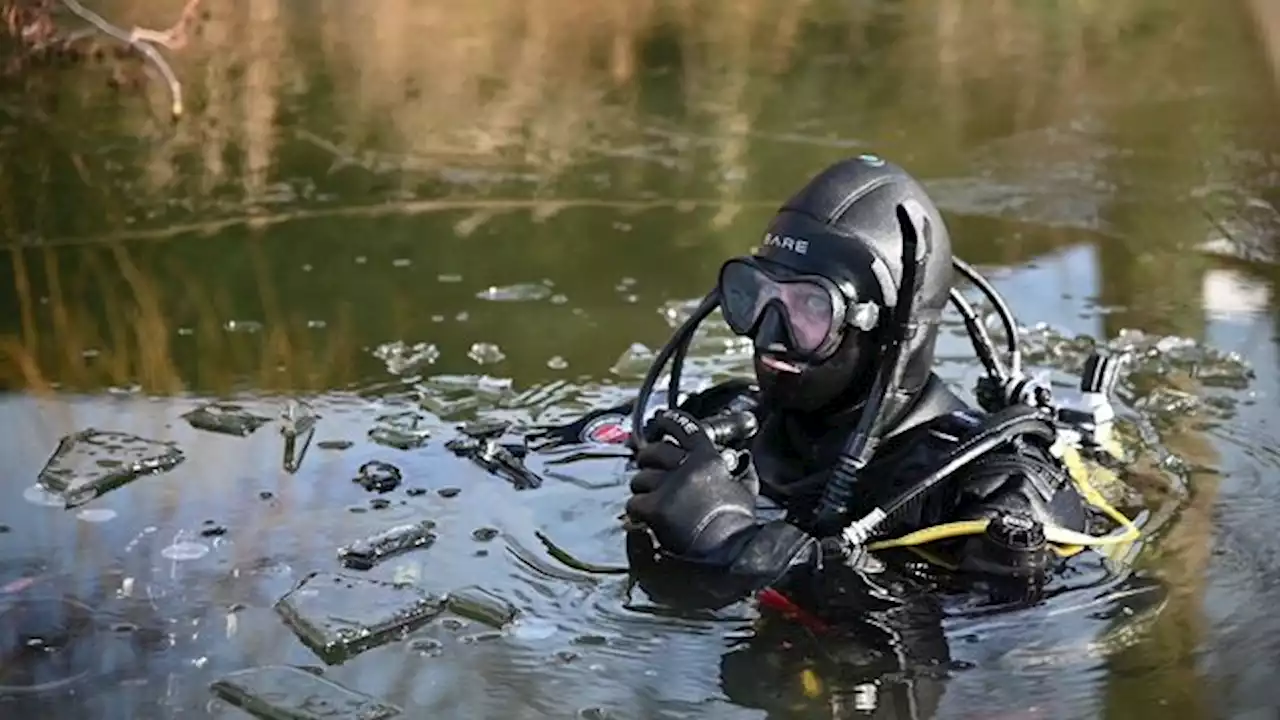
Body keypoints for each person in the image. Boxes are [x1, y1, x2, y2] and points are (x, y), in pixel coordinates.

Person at [528, 155, 1153, 717]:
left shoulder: (990, 485)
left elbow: (996, 648)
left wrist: (735, 545)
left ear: (892, 330)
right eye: (755, 297)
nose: (768, 335)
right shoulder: (740, 415)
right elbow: (537, 450)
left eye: (809, 310)